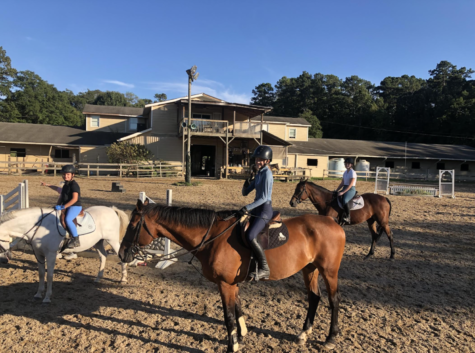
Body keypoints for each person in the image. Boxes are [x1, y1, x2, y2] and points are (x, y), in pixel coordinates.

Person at [239, 145, 274, 281]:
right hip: (257, 208)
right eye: (257, 159)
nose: (258, 161)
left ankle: (265, 268)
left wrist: (247, 207)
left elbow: (264, 198)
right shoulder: (259, 173)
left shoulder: (267, 174)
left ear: (267, 161)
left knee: (251, 235)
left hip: (264, 210)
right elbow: (245, 193)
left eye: (261, 159)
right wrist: (246, 182)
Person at [55, 165, 82, 248]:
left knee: (68, 219)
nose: (65, 176)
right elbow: (62, 197)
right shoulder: (66, 185)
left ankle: (76, 239)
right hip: (66, 205)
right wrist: (57, 205)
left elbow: (74, 199)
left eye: (68, 174)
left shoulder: (74, 185)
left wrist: (63, 207)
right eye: (64, 174)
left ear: (72, 175)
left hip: (75, 206)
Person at [336, 157, 357, 224]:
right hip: (345, 187)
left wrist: (342, 192)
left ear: (351, 165)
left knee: (345, 200)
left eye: (348, 163)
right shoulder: (345, 172)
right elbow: (342, 183)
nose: (347, 165)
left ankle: (348, 217)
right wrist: (336, 190)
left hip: (350, 189)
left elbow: (350, 184)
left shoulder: (352, 172)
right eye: (346, 163)